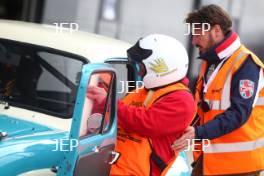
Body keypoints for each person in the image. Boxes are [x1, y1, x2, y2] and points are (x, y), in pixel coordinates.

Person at [172, 4, 264, 176]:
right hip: (209, 159)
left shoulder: (246, 64)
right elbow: (204, 109)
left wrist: (198, 133)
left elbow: (238, 113)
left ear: (215, 30)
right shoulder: (209, 62)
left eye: (197, 34)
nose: (193, 41)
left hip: (239, 167)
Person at [87, 34, 196, 176]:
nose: (139, 71)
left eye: (142, 66)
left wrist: (107, 102)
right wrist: (100, 92)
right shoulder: (143, 91)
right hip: (109, 169)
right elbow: (116, 117)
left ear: (160, 67)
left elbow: (147, 123)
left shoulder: (182, 100)